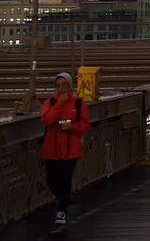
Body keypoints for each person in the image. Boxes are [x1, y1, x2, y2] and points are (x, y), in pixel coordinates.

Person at [40, 72, 91, 225]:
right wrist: (58, 105)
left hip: (71, 149)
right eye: (58, 85)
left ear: (69, 86)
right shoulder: (49, 102)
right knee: (51, 180)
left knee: (65, 178)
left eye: (64, 85)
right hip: (52, 149)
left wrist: (72, 127)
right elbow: (46, 120)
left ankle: (62, 210)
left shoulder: (79, 103)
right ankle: (63, 198)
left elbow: (85, 125)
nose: (61, 88)